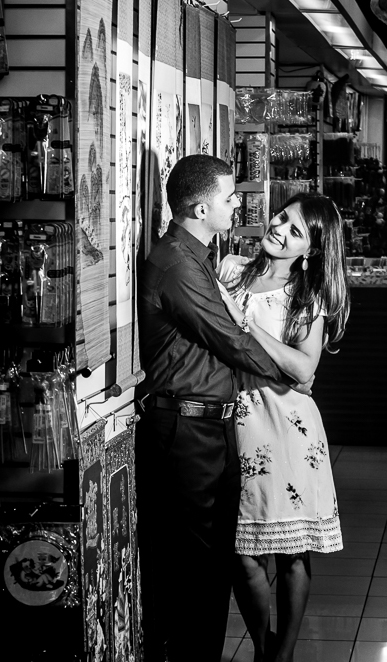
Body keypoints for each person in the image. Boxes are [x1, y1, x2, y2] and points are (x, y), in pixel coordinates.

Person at [137, 154, 313, 662]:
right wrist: (294, 371)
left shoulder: (197, 256)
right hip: (185, 428)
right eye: (229, 197)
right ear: (198, 206)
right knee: (199, 567)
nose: (239, 204)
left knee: (211, 562)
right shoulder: (177, 263)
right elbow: (231, 339)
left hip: (207, 426)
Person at [216, 192, 350, 662]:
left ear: (310, 251)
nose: (280, 230)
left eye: (296, 232)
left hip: (288, 427)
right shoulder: (230, 268)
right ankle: (261, 645)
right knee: (242, 550)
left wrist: (246, 326)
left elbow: (303, 367)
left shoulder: (306, 295)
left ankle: (283, 655)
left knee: (292, 549)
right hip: (236, 420)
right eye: (281, 218)